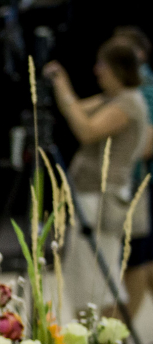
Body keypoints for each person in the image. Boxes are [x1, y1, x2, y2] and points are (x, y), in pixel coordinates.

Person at [45, 38, 150, 315]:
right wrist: (60, 85)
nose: (96, 70)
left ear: (116, 67)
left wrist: (63, 87)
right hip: (95, 196)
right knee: (87, 277)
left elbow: (87, 130)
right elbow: (75, 109)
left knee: (94, 280)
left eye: (102, 64)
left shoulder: (127, 103)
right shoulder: (115, 99)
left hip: (102, 199)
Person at [113, 27, 153, 322]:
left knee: (138, 263)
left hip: (141, 184)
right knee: (143, 264)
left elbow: (146, 145)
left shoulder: (145, 88)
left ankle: (121, 337)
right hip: (137, 184)